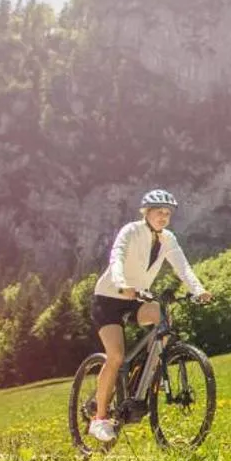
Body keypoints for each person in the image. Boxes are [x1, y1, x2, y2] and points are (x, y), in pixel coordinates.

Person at [86, 189, 214, 445]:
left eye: (167, 213)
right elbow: (117, 257)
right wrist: (121, 283)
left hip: (136, 299)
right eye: (159, 212)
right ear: (146, 212)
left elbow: (183, 267)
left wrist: (199, 290)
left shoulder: (168, 239)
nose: (163, 217)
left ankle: (145, 374)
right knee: (116, 356)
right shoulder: (131, 231)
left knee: (163, 318)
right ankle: (99, 419)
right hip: (109, 298)